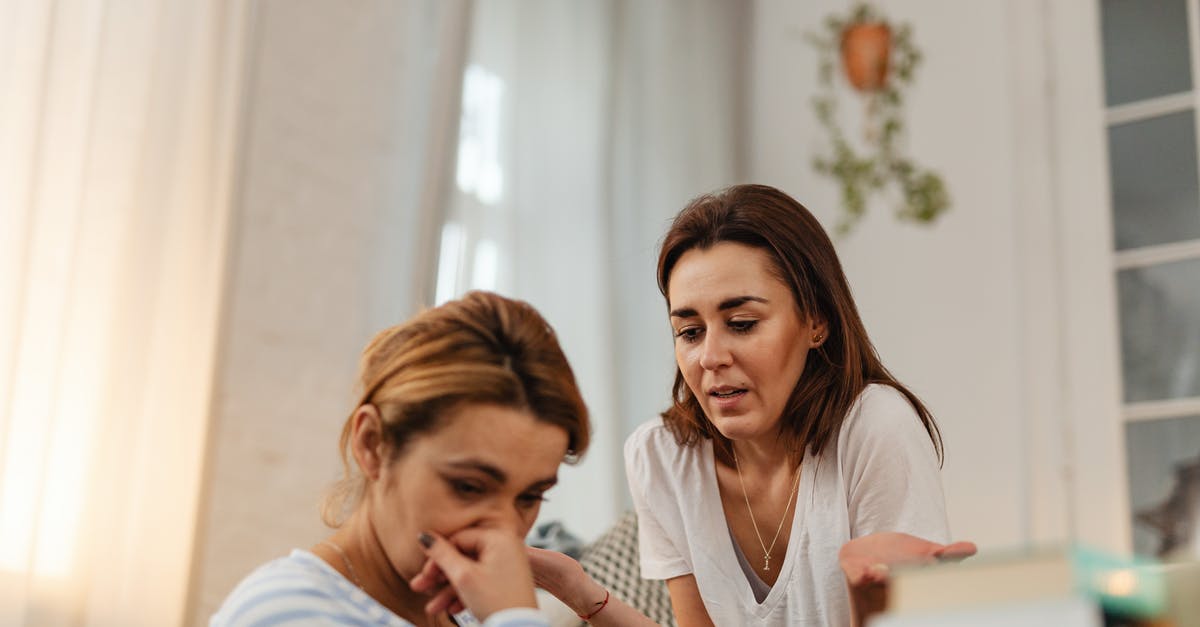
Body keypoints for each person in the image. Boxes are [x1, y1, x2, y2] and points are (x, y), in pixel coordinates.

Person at [531, 184, 974, 627]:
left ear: (816, 322)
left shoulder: (876, 428)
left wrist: (872, 600)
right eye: (690, 332)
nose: (710, 356)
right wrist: (581, 592)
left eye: (741, 324)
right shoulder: (661, 456)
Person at [211, 291, 592, 627]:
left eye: (529, 497)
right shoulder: (285, 615)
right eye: (468, 487)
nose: (504, 534)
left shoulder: (470, 608)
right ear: (373, 444)